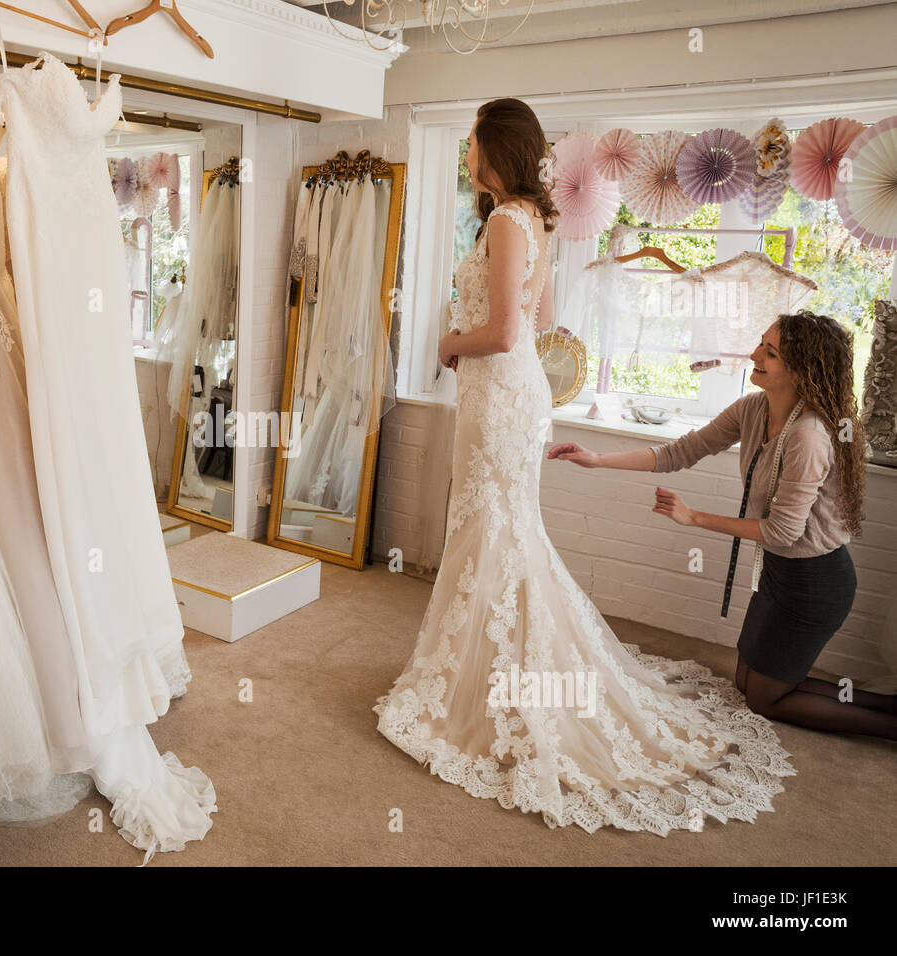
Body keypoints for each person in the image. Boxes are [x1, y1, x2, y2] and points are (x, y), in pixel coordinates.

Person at [375, 98, 794, 836]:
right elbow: (536, 322)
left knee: (494, 530)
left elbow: (507, 334)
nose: (466, 153)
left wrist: (447, 342)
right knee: (500, 532)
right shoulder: (533, 220)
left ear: (493, 147)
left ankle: (496, 686)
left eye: (471, 142)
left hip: (499, 393)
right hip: (511, 396)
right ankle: (485, 673)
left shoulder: (509, 222)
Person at [551, 311, 895, 739]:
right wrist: (597, 459)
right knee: (747, 682)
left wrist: (694, 517)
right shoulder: (754, 408)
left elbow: (783, 532)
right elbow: (681, 451)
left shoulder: (808, 436)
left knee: (764, 700)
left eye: (770, 352)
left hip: (815, 582)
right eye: (760, 344)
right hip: (778, 572)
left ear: (803, 369)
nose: (755, 355)